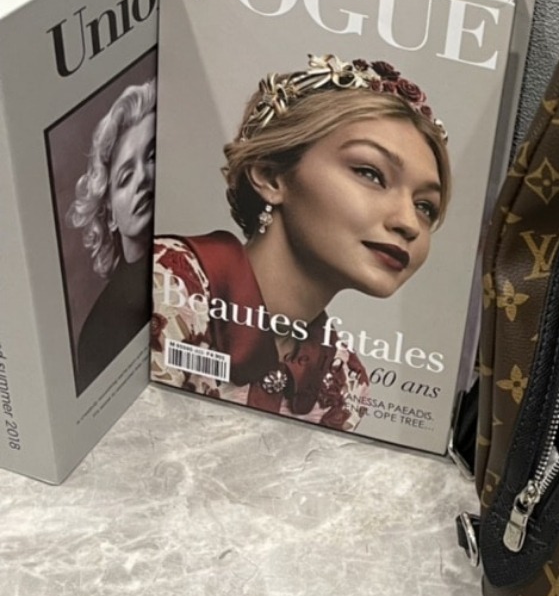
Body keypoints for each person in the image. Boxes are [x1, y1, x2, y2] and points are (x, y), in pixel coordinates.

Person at [151, 54, 450, 430]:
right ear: (271, 176)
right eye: (370, 174)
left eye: (425, 206)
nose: (408, 223)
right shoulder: (166, 286)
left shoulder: (344, 380)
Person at [70, 79, 157, 393]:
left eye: (152, 156)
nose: (143, 178)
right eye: (125, 177)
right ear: (109, 215)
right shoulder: (99, 332)